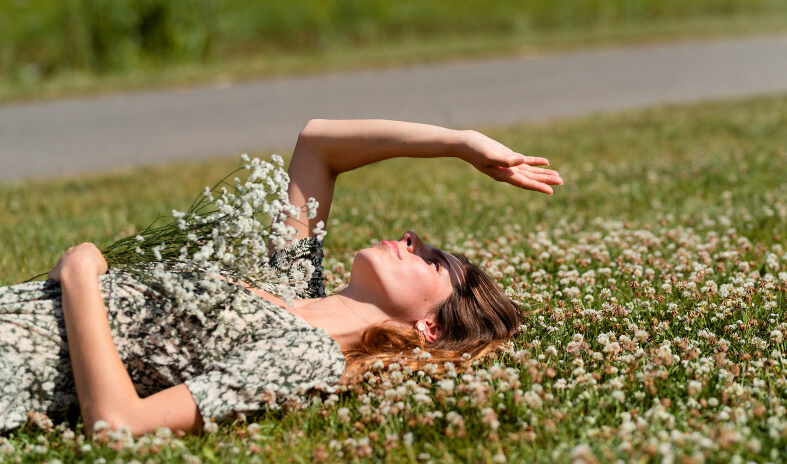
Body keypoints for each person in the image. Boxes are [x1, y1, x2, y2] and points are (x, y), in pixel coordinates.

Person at [0, 119, 562, 436]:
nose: (412, 237)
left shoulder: (309, 359)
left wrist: (79, 278)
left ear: (430, 330)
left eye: (432, 260)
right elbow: (319, 143)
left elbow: (121, 423)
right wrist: (459, 143)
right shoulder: (293, 281)